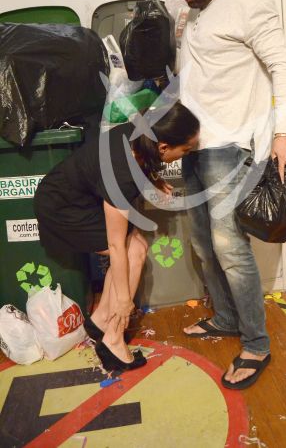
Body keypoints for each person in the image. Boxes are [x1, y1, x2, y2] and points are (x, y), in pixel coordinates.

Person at [160, 0, 286, 390]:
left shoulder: (249, 4)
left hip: (232, 144)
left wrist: (285, 134)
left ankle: (256, 343)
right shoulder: (193, 11)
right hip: (196, 145)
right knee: (201, 243)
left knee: (229, 248)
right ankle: (223, 317)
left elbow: (282, 66)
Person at [34, 103, 199, 372]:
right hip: (62, 208)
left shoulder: (142, 132)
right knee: (132, 251)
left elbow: (143, 160)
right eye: (186, 150)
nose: (185, 155)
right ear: (164, 147)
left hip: (77, 197)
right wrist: (124, 300)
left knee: (137, 246)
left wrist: (154, 179)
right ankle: (112, 338)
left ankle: (98, 323)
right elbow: (115, 244)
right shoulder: (120, 174)